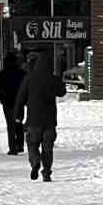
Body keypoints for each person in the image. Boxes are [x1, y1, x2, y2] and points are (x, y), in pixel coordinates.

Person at [14, 49, 67, 181]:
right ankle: (47, 172)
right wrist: (57, 79)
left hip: (33, 120)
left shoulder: (29, 78)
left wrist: (18, 115)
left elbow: (20, 98)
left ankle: (35, 161)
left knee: (32, 145)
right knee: (48, 148)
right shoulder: (53, 79)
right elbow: (62, 92)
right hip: (49, 121)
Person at [0, 51, 27, 155]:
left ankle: (13, 147)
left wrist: (2, 98)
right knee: (19, 123)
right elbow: (27, 87)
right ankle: (20, 145)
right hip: (20, 102)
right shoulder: (22, 73)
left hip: (7, 103)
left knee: (10, 125)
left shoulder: (2, 74)